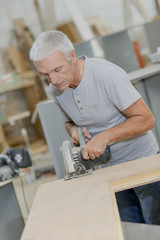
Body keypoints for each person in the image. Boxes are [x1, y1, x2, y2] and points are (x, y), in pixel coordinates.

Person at [30, 30, 160, 224]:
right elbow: (69, 123)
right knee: (130, 232)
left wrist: (104, 137)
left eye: (57, 69)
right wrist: (74, 131)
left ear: (72, 56)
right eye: (45, 75)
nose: (54, 80)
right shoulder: (56, 90)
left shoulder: (106, 75)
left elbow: (146, 119)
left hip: (143, 164)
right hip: (108, 172)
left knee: (154, 229)